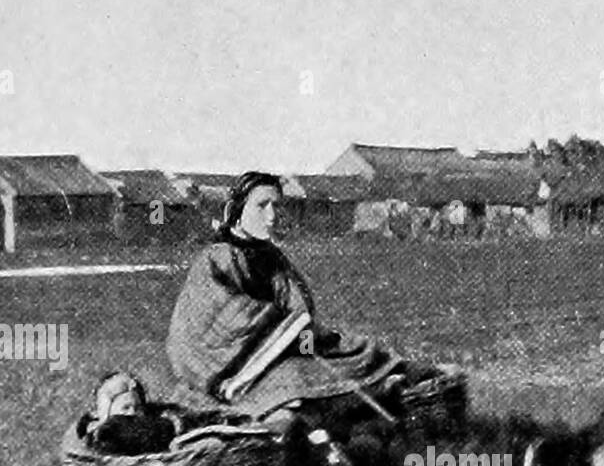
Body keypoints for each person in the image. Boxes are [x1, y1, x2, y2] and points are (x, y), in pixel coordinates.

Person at [167, 171, 433, 433]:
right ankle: (355, 403)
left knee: (356, 350)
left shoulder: (270, 256)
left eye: (276, 206)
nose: (271, 216)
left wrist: (297, 331)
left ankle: (399, 384)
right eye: (261, 206)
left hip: (274, 345)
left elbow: (297, 303)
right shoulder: (216, 257)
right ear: (238, 209)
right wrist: (281, 328)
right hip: (229, 363)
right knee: (296, 376)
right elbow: (214, 316)